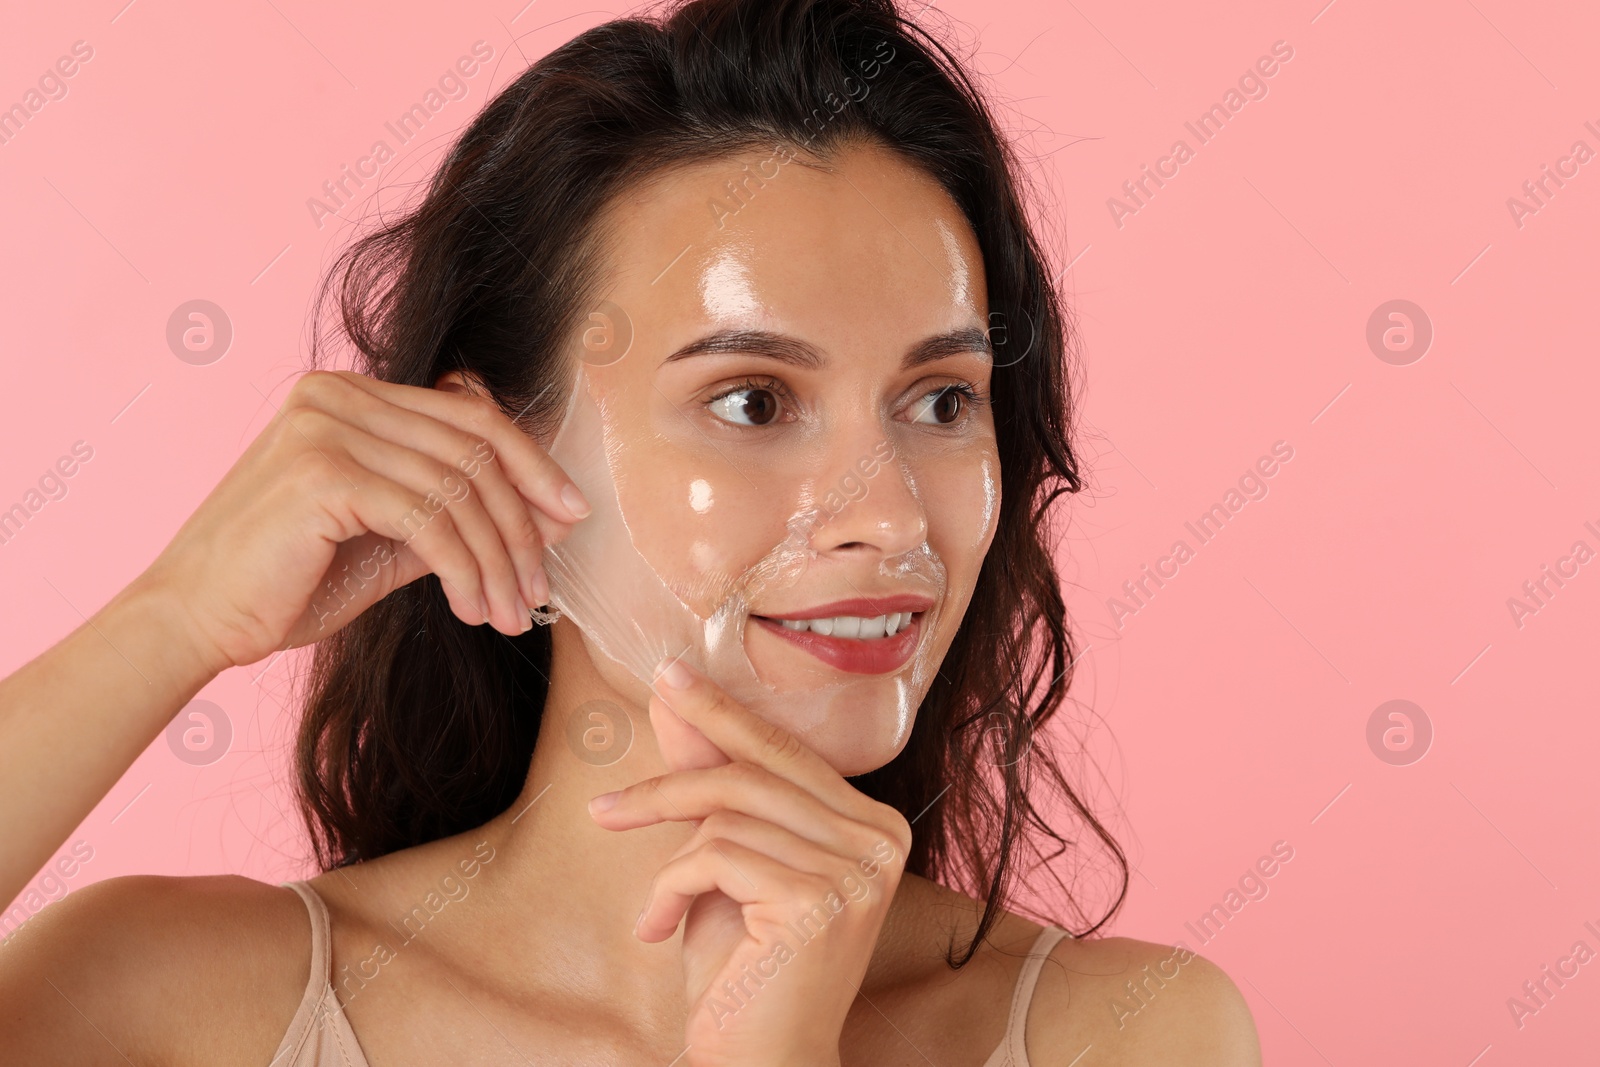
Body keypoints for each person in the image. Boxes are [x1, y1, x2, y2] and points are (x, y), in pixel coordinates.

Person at [0, 0, 1262, 1062]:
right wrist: (171, 621)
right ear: (491, 453)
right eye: (753, 400)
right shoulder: (173, 1004)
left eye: (942, 400)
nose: (889, 517)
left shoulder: (1125, 1032)